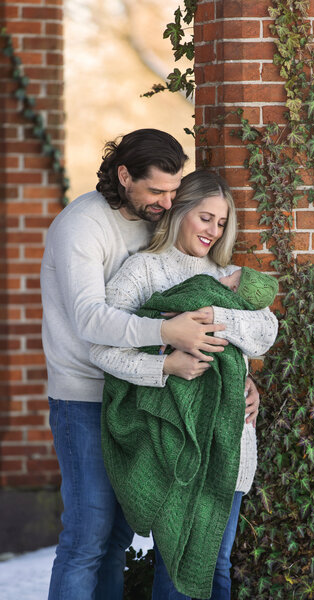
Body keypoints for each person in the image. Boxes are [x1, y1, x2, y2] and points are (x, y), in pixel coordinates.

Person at [40, 129, 261, 600]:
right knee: (88, 539)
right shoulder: (82, 226)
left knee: (119, 538)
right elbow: (91, 319)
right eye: (157, 191)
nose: (166, 201)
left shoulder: (152, 218)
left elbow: (190, 274)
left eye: (173, 191)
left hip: (139, 399)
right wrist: (167, 335)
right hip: (86, 395)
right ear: (124, 176)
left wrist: (240, 377)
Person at [89, 170, 279, 599]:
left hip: (231, 440)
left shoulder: (232, 277)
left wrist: (212, 314)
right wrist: (165, 368)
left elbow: (265, 332)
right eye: (205, 218)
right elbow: (101, 349)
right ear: (179, 211)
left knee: (218, 566)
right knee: (177, 572)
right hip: (172, 443)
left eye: (222, 222)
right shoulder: (144, 270)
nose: (214, 231)